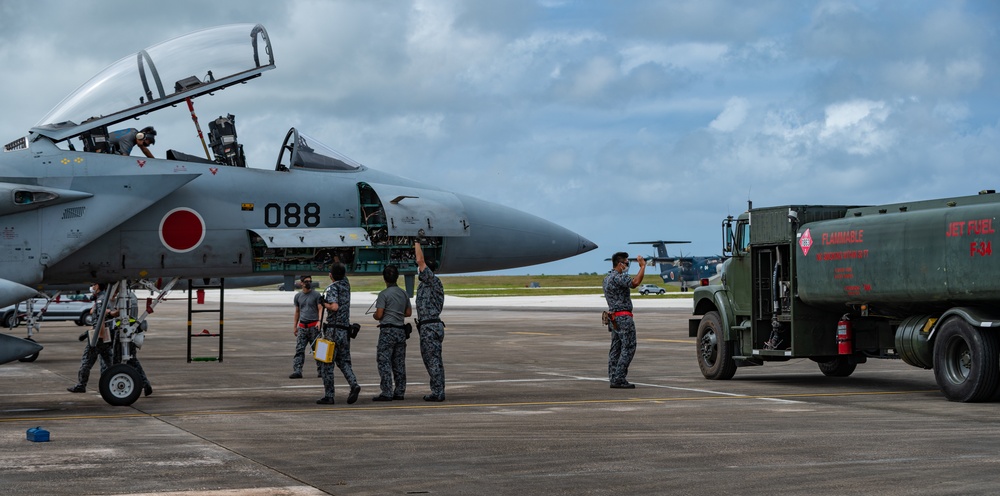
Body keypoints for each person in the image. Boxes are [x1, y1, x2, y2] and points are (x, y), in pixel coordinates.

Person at [316, 263, 362, 405]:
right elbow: (342, 276)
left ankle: (329, 395)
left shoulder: (333, 288)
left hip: (333, 331)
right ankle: (354, 384)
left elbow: (334, 306)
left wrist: (324, 304)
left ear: (331, 275)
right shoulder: (346, 286)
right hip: (344, 331)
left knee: (326, 364)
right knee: (344, 361)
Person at [603, 252, 645, 389]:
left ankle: (613, 376)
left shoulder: (607, 278)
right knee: (629, 347)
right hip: (623, 317)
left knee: (616, 348)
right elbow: (635, 283)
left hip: (613, 317)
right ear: (620, 264)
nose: (628, 266)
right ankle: (619, 377)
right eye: (626, 263)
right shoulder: (618, 278)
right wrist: (642, 267)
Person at [372, 265, 412, 401]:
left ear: (384, 278)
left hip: (387, 331)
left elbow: (379, 314)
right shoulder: (404, 293)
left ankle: (387, 391)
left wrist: (375, 316)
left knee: (384, 361)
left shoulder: (383, 294)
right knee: (399, 362)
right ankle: (400, 391)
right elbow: (408, 312)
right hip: (400, 330)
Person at [67, 283, 115, 393]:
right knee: (110, 363)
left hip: (98, 337)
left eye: (93, 285)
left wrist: (89, 335)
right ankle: (116, 379)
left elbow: (99, 321)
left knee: (86, 361)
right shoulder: (103, 299)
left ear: (98, 286)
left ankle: (81, 385)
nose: (92, 287)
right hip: (105, 337)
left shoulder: (100, 301)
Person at [414, 240, 446, 402]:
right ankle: (438, 390)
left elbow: (420, 261)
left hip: (430, 326)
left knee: (432, 359)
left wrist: (416, 242)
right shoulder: (428, 283)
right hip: (430, 326)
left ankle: (438, 392)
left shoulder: (432, 280)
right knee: (433, 360)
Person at [289, 275, 323, 379]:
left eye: (310, 281)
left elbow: (320, 309)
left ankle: (322, 370)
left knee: (319, 350)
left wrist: (319, 322)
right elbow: (297, 312)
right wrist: (295, 326)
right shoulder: (298, 296)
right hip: (303, 327)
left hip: (314, 326)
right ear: (301, 283)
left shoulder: (317, 295)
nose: (309, 283)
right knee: (299, 349)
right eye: (306, 281)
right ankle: (297, 370)